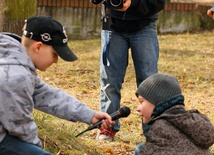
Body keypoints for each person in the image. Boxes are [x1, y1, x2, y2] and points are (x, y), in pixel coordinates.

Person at [0, 16, 115, 155]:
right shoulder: (16, 77)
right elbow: (20, 128)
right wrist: (37, 148)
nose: (56, 61)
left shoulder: (13, 58)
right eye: (55, 54)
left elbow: (47, 96)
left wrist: (89, 115)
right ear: (38, 47)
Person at [90, 0, 166, 141]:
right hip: (112, 26)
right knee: (109, 80)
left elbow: (159, 3)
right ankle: (107, 127)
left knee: (148, 82)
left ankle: (152, 131)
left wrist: (133, 3)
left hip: (144, 26)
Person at [134, 73, 214, 155]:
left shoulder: (161, 127)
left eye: (141, 101)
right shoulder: (195, 120)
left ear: (157, 102)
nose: (138, 108)